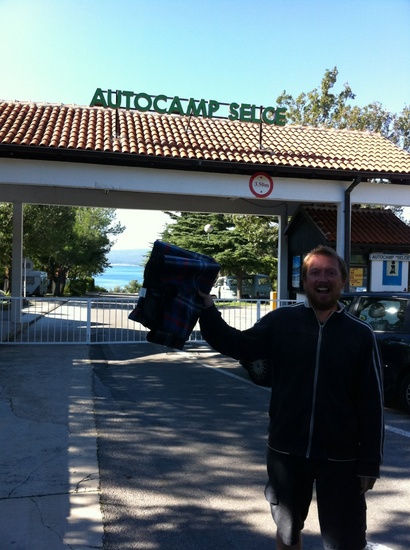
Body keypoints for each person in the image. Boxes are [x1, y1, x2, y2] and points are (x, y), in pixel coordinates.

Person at [198, 245, 384, 550]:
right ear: (304, 281)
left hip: (342, 458)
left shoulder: (360, 334)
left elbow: (371, 403)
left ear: (343, 280)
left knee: (346, 542)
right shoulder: (281, 322)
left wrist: (370, 463)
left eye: (330, 272)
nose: (322, 279)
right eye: (315, 272)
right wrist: (207, 309)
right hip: (287, 452)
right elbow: (238, 344)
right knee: (287, 534)